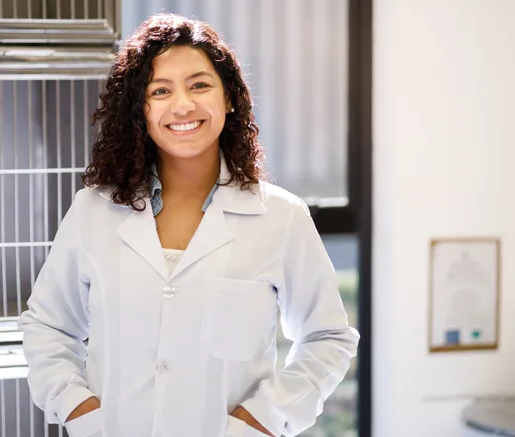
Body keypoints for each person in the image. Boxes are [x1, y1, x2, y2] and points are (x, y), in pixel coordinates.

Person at [19, 13, 360, 437]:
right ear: (139, 111)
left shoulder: (281, 217)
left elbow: (328, 337)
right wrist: (79, 411)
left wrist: (264, 417)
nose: (182, 105)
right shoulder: (94, 211)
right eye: (160, 91)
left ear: (229, 97)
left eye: (199, 85)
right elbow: (48, 326)